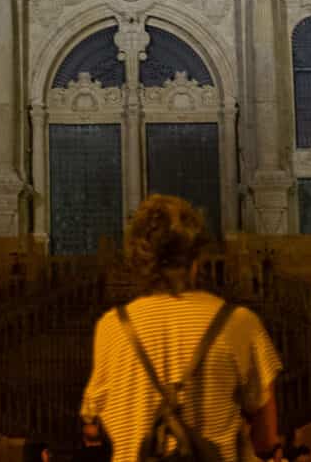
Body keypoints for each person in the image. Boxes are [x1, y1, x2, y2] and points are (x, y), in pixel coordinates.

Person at [80, 194, 282, 462]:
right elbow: (267, 437)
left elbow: (93, 423)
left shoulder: (112, 327)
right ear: (196, 259)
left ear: (139, 261)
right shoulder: (239, 323)